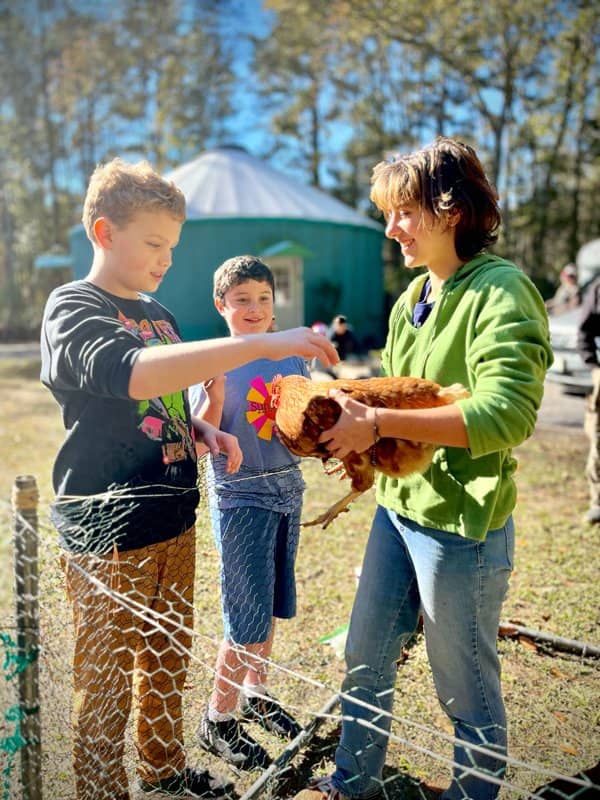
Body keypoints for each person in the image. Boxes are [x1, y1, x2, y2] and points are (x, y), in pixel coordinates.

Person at [40, 158, 338, 800]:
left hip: (174, 520)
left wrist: (204, 431)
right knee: (108, 678)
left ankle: (164, 774)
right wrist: (260, 344)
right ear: (103, 232)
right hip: (107, 534)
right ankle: (101, 791)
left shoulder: (159, 313)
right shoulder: (73, 307)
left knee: (167, 663)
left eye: (172, 247)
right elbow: (133, 375)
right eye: (154, 244)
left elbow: (163, 402)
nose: (166, 259)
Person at [295, 137, 552, 800]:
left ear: (451, 209)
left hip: (461, 527)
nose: (390, 228)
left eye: (404, 211)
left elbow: (506, 413)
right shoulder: (414, 296)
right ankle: (354, 785)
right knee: (365, 657)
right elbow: (401, 392)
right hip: (399, 514)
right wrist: (349, 423)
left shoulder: (502, 291)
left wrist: (378, 423)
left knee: (462, 684)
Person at [190, 255, 308, 770]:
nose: (255, 309)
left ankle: (256, 692)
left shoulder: (292, 356)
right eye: (242, 301)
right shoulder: (213, 359)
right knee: (245, 614)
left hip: (288, 489)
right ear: (222, 305)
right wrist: (213, 393)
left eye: (263, 298)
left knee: (273, 602)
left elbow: (303, 426)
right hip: (241, 499)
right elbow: (201, 435)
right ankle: (217, 719)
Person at [577, 276, 600, 524]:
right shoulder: (598, 288)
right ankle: (598, 502)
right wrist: (595, 368)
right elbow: (584, 334)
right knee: (599, 440)